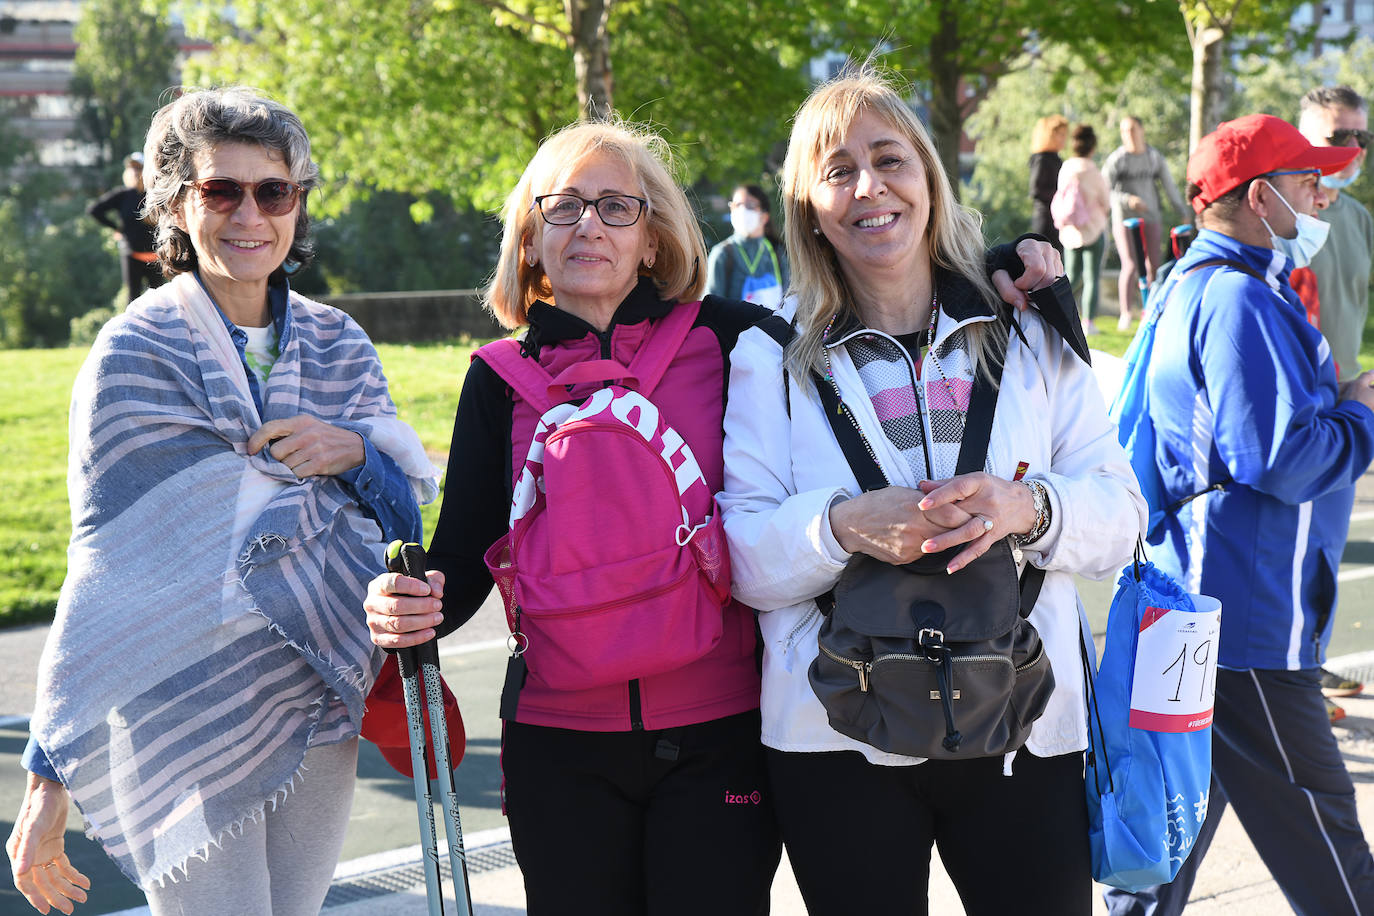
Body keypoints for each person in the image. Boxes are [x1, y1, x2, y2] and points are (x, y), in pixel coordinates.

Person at [718, 68, 1146, 915]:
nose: (869, 187)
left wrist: (1030, 509)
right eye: (838, 171)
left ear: (928, 176)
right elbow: (743, 560)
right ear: (807, 203)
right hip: (832, 734)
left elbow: (1124, 516)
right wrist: (841, 529)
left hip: (1027, 724)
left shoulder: (1030, 329)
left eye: (890, 159)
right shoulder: (768, 355)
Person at [7, 87, 438, 916]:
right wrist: (46, 787)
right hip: (178, 708)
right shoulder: (134, 351)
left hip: (317, 691)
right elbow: (110, 569)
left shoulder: (340, 342)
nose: (251, 214)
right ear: (174, 201)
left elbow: (399, 531)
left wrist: (355, 454)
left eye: (274, 191)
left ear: (298, 203)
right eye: (221, 191)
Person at [1104, 113, 1374, 916]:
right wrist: (1361, 417)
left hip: (1197, 600)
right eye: (1306, 184)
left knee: (1164, 846)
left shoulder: (1197, 283)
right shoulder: (1239, 301)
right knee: (1328, 849)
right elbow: (1276, 459)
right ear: (1261, 197)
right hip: (1247, 614)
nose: (1319, 199)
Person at [1297, 85, 1374, 717]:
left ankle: (1311, 666)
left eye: (1360, 137)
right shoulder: (1288, 219)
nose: (1351, 149)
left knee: (1325, 551)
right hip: (1293, 416)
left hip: (1345, 410)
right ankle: (1287, 679)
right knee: (1285, 554)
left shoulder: (1359, 218)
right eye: (1336, 136)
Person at [1103, 115, 1186, 330]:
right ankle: (1125, 313)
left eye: (1131, 129)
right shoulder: (1117, 159)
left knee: (1154, 265)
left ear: (1141, 130)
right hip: (1124, 219)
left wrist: (1183, 212)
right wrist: (1127, 199)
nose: (1128, 135)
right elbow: (1104, 191)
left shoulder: (1153, 157)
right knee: (1130, 264)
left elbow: (1170, 187)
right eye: (1123, 131)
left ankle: (1152, 309)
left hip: (1151, 217)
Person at [87, 151, 163, 303]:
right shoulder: (123, 195)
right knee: (133, 300)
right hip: (132, 256)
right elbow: (94, 210)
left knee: (159, 303)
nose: (135, 172)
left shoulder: (157, 193)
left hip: (155, 258)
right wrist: (116, 228)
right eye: (132, 169)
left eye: (139, 168)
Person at [1057, 124, 1111, 335]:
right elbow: (1105, 201)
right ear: (1092, 147)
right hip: (1092, 230)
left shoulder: (1066, 168)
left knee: (1069, 277)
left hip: (1070, 231)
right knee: (1091, 278)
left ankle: (1063, 317)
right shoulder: (1092, 170)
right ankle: (1088, 322)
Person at [706, 183, 789, 307]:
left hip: (773, 326)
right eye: (737, 205)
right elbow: (710, 308)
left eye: (750, 206)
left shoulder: (777, 252)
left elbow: (789, 301)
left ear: (764, 217)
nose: (742, 210)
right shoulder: (722, 254)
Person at [1029, 114, 1069, 251]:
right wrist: (1062, 198)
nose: (1065, 139)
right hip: (1046, 220)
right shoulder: (1042, 159)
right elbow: (1036, 190)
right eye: (1061, 134)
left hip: (1057, 219)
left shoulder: (1055, 158)